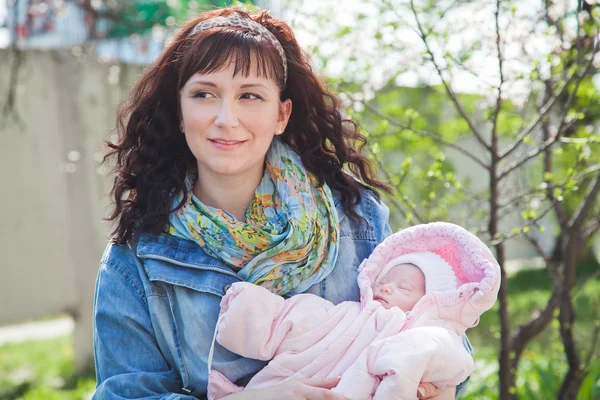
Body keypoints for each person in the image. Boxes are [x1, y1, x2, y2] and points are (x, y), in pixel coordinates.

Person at [93, 7, 471, 399]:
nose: (227, 118)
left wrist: (429, 385)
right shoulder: (134, 260)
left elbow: (438, 335)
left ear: (281, 113)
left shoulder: (359, 219)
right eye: (204, 94)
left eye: (250, 96)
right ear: (180, 112)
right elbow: (125, 393)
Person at [207, 222, 500, 400]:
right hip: (292, 385)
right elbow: (299, 318)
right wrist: (247, 306)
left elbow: (441, 362)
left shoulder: (430, 336)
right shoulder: (348, 314)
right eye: (385, 281)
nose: (386, 288)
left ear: (432, 301)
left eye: (404, 288)